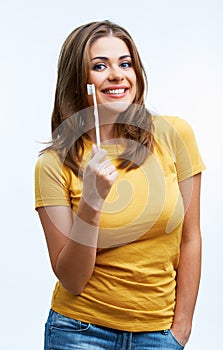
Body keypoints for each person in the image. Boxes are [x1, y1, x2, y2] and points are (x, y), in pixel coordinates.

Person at [34, 20, 206, 350]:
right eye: (100, 66)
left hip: (158, 335)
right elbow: (72, 279)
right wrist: (92, 203)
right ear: (78, 82)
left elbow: (191, 237)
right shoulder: (53, 165)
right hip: (79, 332)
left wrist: (180, 329)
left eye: (125, 63)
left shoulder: (174, 135)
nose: (117, 74)